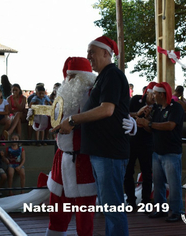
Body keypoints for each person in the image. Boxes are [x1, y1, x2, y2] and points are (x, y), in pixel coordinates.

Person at [52, 36, 130, 236]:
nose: (89, 57)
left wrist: (72, 121)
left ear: (106, 53)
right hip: (99, 153)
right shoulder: (103, 77)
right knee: (109, 208)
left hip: (108, 153)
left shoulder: (112, 75)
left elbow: (107, 110)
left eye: (92, 52)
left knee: (113, 208)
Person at [46, 57, 97, 236]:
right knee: (58, 205)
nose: (70, 80)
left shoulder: (94, 95)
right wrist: (37, 117)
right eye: (69, 77)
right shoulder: (63, 97)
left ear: (86, 77)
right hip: (62, 157)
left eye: (75, 76)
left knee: (84, 209)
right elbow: (52, 122)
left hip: (84, 158)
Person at [136, 82, 184, 222]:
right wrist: (146, 121)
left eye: (155, 93)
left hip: (171, 152)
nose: (153, 96)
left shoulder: (176, 108)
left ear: (162, 94)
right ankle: (161, 209)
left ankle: (176, 211)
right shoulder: (157, 109)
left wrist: (149, 123)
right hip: (157, 151)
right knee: (158, 183)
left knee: (173, 183)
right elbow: (152, 129)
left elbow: (170, 125)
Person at [124, 82, 156, 210]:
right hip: (131, 141)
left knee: (147, 172)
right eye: (152, 93)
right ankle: (131, 200)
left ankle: (146, 201)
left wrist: (147, 119)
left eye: (156, 94)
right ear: (147, 92)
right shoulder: (136, 99)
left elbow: (153, 126)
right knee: (128, 172)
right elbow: (125, 114)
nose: (154, 97)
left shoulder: (157, 106)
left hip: (147, 142)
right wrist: (138, 113)